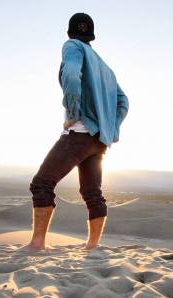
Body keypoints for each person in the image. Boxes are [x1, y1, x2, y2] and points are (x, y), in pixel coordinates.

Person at [23, 12, 129, 251]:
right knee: (92, 192)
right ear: (92, 35)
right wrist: (111, 129)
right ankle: (92, 245)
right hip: (99, 140)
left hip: (79, 133)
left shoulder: (72, 47)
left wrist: (72, 113)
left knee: (41, 184)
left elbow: (71, 74)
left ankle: (37, 243)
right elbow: (124, 101)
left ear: (70, 32)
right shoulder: (105, 67)